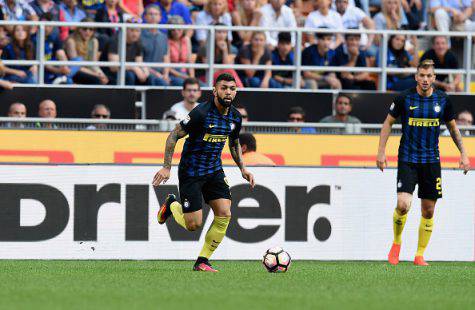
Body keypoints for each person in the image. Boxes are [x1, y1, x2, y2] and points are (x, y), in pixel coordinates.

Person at [152, 73, 255, 272]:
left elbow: (233, 143)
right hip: (191, 171)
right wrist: (167, 167)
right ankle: (172, 204)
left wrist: (242, 168)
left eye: (232, 88)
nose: (228, 92)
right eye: (224, 88)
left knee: (224, 213)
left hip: (214, 170)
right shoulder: (201, 113)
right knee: (193, 225)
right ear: (214, 91)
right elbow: (174, 135)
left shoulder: (235, 117)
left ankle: (202, 261)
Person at [376, 59, 470, 267]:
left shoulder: (443, 100)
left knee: (428, 210)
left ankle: (419, 255)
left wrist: (464, 153)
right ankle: (397, 243)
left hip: (431, 161)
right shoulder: (404, 98)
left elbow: (454, 129)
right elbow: (388, 123)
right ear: (416, 77)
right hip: (408, 159)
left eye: (429, 76)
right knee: (403, 205)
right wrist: (381, 152)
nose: (425, 80)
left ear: (434, 78)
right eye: (422, 76)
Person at [65, 19, 109, 84]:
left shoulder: (94, 41)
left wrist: (101, 75)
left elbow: (94, 64)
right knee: (96, 80)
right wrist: (96, 75)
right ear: (79, 29)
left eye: (91, 29)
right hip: (74, 72)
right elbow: (75, 67)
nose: (88, 31)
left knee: (107, 80)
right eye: (85, 29)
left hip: (89, 70)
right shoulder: (71, 41)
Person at [141, 4, 170, 86]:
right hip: (146, 72)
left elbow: (166, 58)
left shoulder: (164, 37)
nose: (153, 16)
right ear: (145, 17)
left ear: (160, 17)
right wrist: (157, 74)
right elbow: (139, 61)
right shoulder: (139, 36)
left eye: (156, 14)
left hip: (161, 74)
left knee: (179, 83)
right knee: (161, 83)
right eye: (150, 14)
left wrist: (166, 74)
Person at [167, 15, 196, 86]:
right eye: (173, 30)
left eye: (179, 29)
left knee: (202, 86)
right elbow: (167, 67)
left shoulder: (186, 39)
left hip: (185, 73)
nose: (176, 32)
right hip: (173, 74)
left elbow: (189, 61)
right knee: (183, 84)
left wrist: (192, 77)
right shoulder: (166, 41)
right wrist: (184, 77)